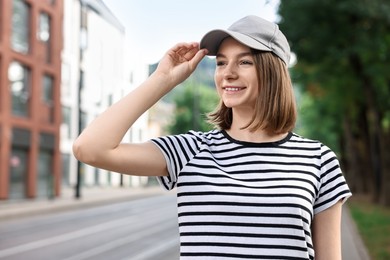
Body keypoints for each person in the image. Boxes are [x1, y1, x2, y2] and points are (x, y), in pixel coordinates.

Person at [73, 15, 352, 260]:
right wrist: (163, 81)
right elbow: (90, 148)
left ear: (272, 72)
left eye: (244, 62)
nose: (227, 73)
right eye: (221, 63)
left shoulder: (318, 159)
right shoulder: (190, 150)